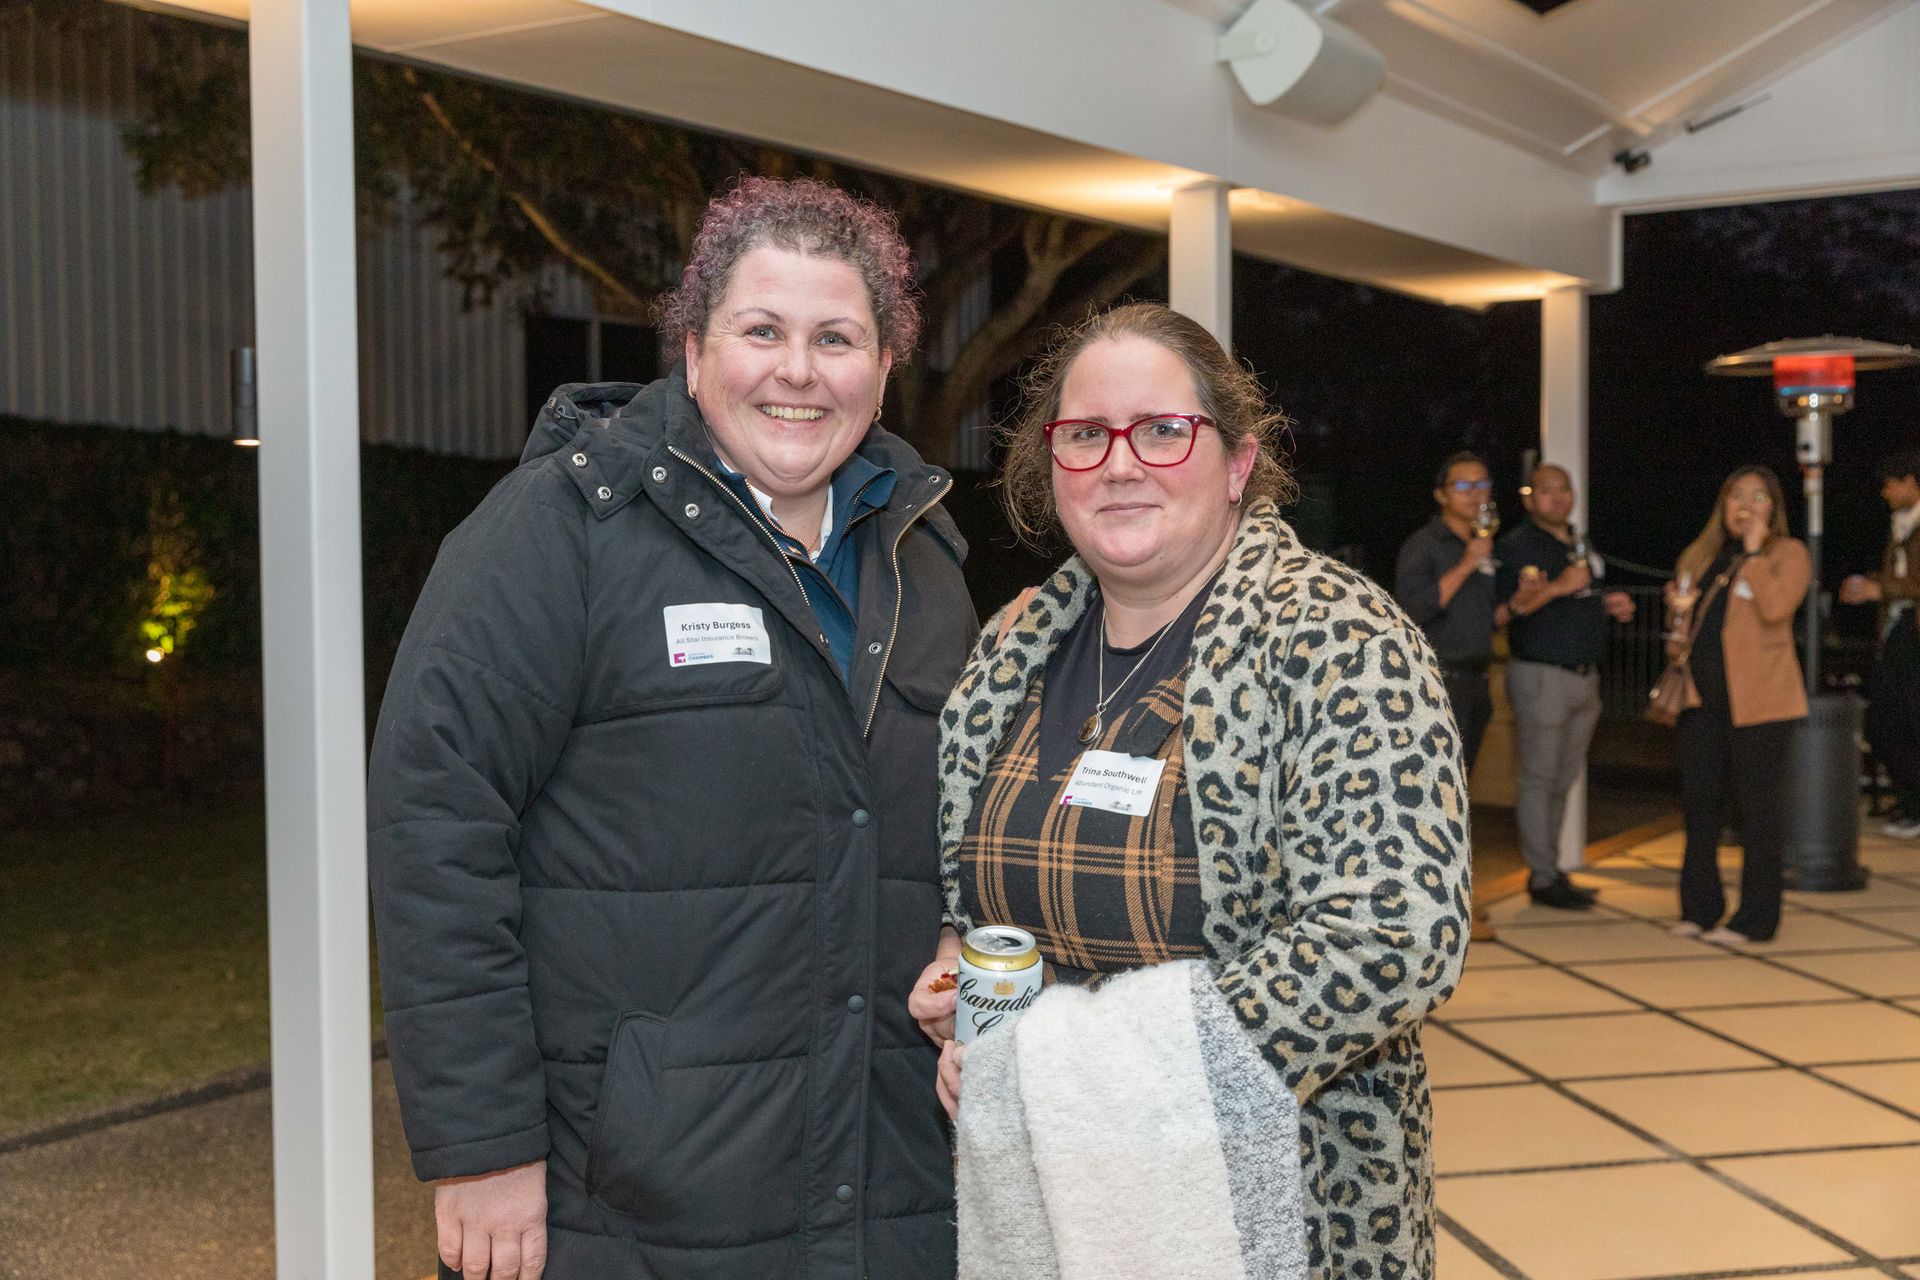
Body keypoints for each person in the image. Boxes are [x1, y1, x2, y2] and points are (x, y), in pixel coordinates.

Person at [367, 176, 974, 1280]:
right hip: (629, 1207)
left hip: (883, 1188)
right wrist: (484, 1144)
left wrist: (964, 948)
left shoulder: (925, 562)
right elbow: (434, 823)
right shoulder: (558, 533)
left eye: (837, 337)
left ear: (883, 372)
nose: (798, 369)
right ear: (692, 351)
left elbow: (963, 831)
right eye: (762, 330)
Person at [911, 303, 1470, 1280]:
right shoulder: (1012, 645)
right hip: (1051, 1198)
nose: (1120, 462)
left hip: (1269, 1203)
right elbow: (984, 900)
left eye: (1164, 430)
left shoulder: (1336, 638)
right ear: (1053, 466)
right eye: (1086, 434)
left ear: (1239, 464)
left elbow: (1395, 929)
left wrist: (1087, 1073)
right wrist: (964, 976)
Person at [1664, 466, 1810, 945]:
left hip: (1761, 705)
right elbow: (1679, 642)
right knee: (1700, 809)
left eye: (1759, 497)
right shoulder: (1702, 557)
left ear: (1775, 508)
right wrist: (1678, 621)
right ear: (1722, 505)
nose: (1746, 506)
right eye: (1736, 497)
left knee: (1757, 813)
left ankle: (1756, 919)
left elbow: (1776, 609)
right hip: (1700, 702)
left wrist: (1754, 553)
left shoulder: (1788, 554)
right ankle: (1700, 909)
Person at [1496, 464, 1636, 909]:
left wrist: (1606, 602)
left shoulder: (1577, 540)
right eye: (1547, 490)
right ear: (1529, 498)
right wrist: (1559, 587)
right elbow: (1506, 611)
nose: (1558, 497)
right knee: (1539, 778)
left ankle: (1552, 870)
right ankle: (1541, 877)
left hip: (1584, 677)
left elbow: (1580, 593)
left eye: (1565, 488)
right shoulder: (1516, 546)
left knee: (1562, 780)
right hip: (1541, 675)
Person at [1395, 451, 1509, 774]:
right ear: (1441, 494)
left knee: (1463, 781)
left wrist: (1519, 603)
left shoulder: (1482, 544)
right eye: (1463, 485)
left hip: (1478, 681)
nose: (1475, 493)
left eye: (1482, 484)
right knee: (1434, 780)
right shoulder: (1423, 545)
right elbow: (1412, 609)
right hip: (1439, 683)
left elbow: (1487, 618)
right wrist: (1467, 564)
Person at [1840, 448, 1920, 838]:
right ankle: (1910, 799)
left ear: (1909, 482)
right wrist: (1870, 586)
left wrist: (1878, 589)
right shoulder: (1902, 525)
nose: (1885, 493)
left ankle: (1913, 804)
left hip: (1911, 630)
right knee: (1888, 721)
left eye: (1889, 484)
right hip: (1897, 629)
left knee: (1897, 719)